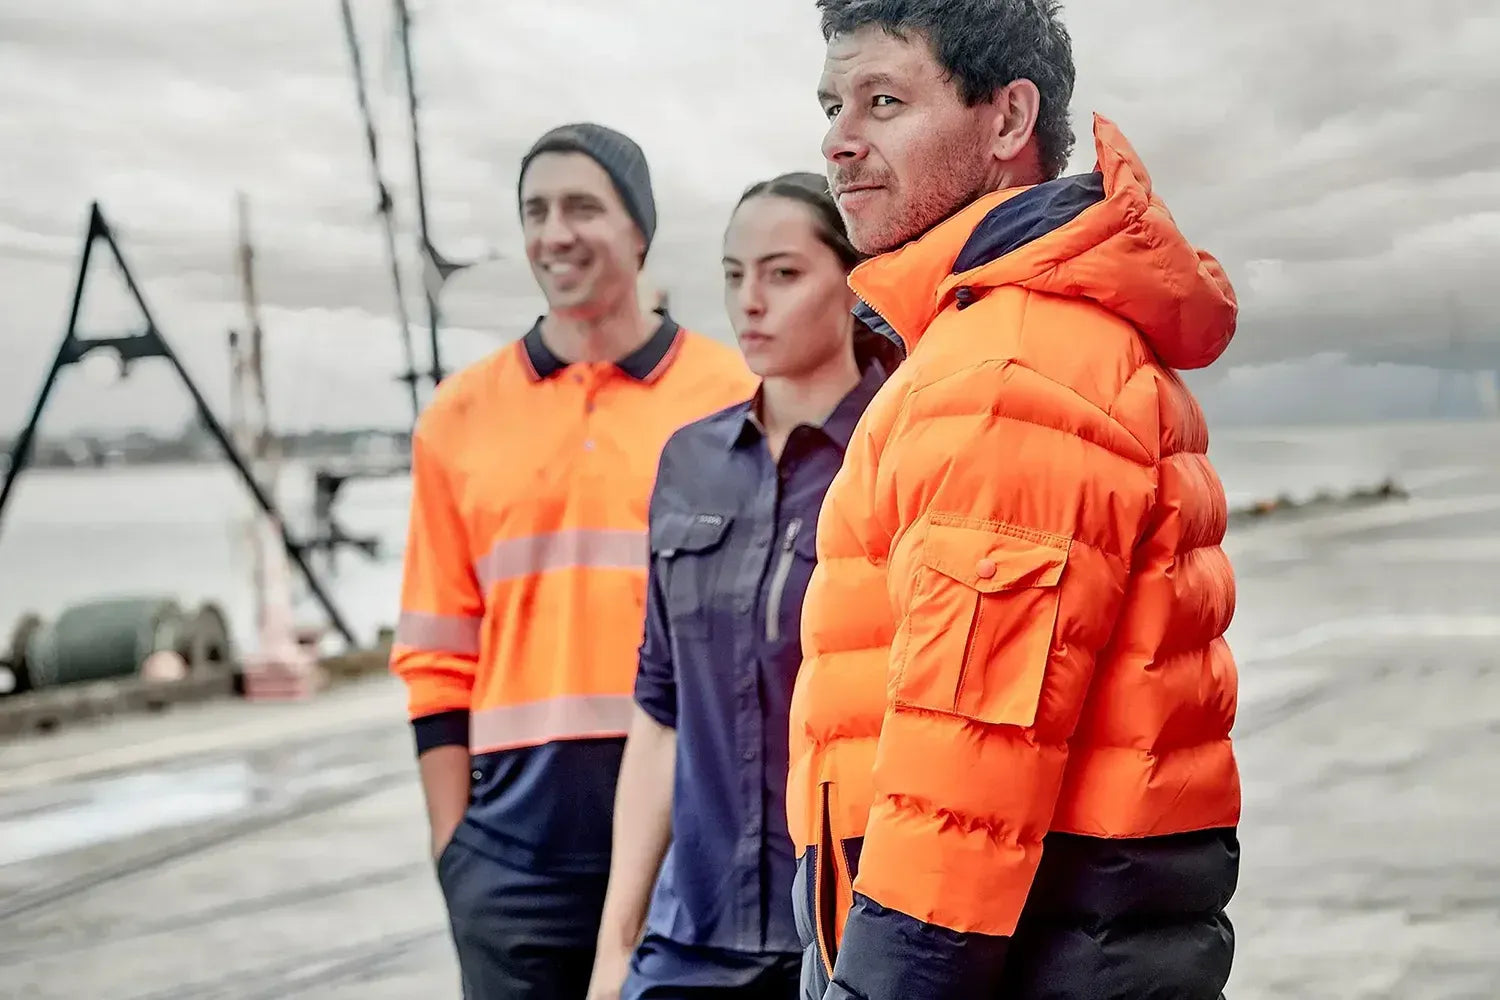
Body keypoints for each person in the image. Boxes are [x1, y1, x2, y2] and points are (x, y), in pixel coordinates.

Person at [786, 2, 1243, 999]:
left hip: (1018, 955)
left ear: (1005, 121)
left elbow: (962, 787)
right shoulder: (1006, 336)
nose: (838, 138)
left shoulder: (1005, 365)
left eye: (884, 101)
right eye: (831, 104)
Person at [389, 122, 757, 999]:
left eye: (583, 207)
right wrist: (459, 858)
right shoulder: (459, 416)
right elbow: (436, 655)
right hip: (514, 859)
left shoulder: (734, 397)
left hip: (694, 834)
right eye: (535, 211)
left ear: (639, 229)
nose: (555, 233)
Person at [585, 172, 894, 1000]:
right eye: (733, 274)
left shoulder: (898, 457)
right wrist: (616, 948)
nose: (749, 301)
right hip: (693, 937)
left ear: (853, 280)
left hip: (845, 941)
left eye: (783, 273)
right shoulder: (688, 464)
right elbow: (660, 711)